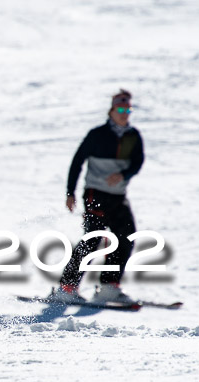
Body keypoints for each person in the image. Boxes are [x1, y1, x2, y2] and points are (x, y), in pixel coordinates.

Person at [52, 89, 144, 303]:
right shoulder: (98, 135)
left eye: (128, 109)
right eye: (120, 109)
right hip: (95, 193)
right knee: (93, 238)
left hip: (118, 195)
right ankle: (67, 288)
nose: (124, 113)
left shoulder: (133, 136)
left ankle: (109, 287)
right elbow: (78, 161)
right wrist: (70, 192)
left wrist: (123, 174)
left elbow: (137, 162)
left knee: (126, 236)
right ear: (111, 110)